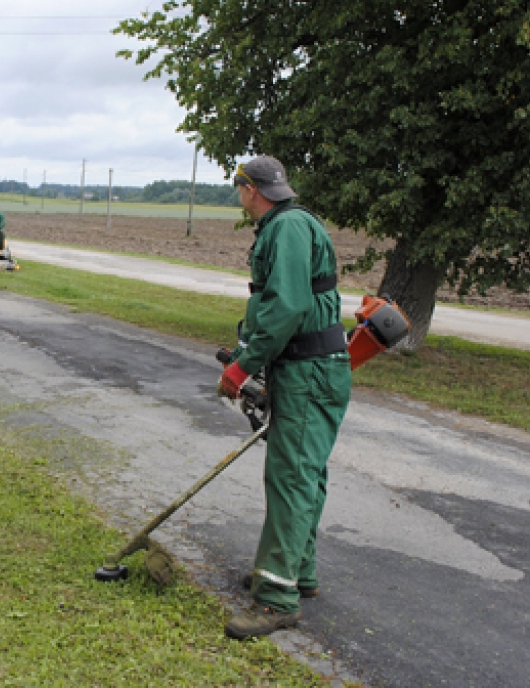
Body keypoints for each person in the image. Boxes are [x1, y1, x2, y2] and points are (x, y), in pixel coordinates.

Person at [218, 156, 352, 639]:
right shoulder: (289, 224)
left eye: (240, 189)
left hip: (309, 372)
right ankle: (299, 573)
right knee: (304, 473)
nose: (240, 196)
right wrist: (248, 350)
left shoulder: (287, 228)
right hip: (310, 369)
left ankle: (276, 600)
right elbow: (274, 304)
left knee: (292, 477)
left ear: (249, 188)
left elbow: (290, 305)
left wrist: (242, 368)